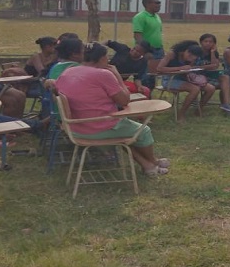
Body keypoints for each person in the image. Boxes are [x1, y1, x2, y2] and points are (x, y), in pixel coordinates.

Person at [55, 42, 169, 176]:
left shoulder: (68, 71)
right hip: (98, 127)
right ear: (102, 58)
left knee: (126, 133)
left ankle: (147, 165)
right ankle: (154, 162)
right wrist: (117, 76)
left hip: (74, 128)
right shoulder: (103, 74)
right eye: (106, 57)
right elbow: (124, 100)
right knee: (143, 131)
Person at [158, 40, 216, 123]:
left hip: (185, 77)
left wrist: (191, 67)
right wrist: (180, 68)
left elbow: (190, 66)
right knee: (195, 89)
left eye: (193, 57)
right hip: (170, 79)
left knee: (211, 89)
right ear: (186, 50)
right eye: (189, 55)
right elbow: (159, 68)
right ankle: (181, 114)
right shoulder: (172, 54)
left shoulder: (191, 58)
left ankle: (198, 110)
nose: (190, 58)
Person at [196, 33, 230, 113]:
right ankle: (199, 108)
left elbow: (214, 66)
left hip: (210, 76)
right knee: (217, 86)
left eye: (211, 42)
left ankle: (226, 105)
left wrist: (212, 52)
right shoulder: (196, 52)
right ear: (201, 42)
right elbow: (193, 67)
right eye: (205, 41)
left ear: (214, 44)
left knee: (225, 78)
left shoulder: (214, 52)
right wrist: (208, 66)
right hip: (197, 76)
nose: (208, 43)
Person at [132, 0, 164, 79]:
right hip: (147, 51)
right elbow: (137, 36)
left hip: (158, 50)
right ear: (147, 4)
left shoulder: (157, 16)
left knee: (154, 75)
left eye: (159, 3)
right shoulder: (140, 17)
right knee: (145, 76)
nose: (159, 5)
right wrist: (145, 51)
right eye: (157, 3)